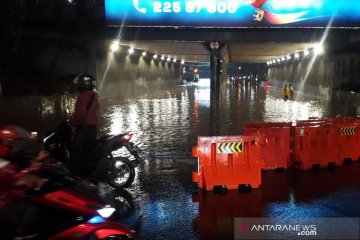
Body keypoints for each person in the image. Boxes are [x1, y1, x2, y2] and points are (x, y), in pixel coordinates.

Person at [0, 125, 48, 238]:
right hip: (5, 205)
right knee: (33, 210)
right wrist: (30, 172)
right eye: (14, 145)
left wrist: (35, 162)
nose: (18, 148)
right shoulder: (2, 166)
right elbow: (14, 179)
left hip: (11, 199)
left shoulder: (7, 161)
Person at [69, 74, 99, 178]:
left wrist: (73, 123)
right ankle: (88, 174)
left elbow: (80, 115)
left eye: (78, 84)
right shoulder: (94, 96)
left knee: (75, 152)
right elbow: (96, 111)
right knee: (88, 153)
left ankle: (75, 176)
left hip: (84, 130)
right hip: (93, 129)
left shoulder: (83, 96)